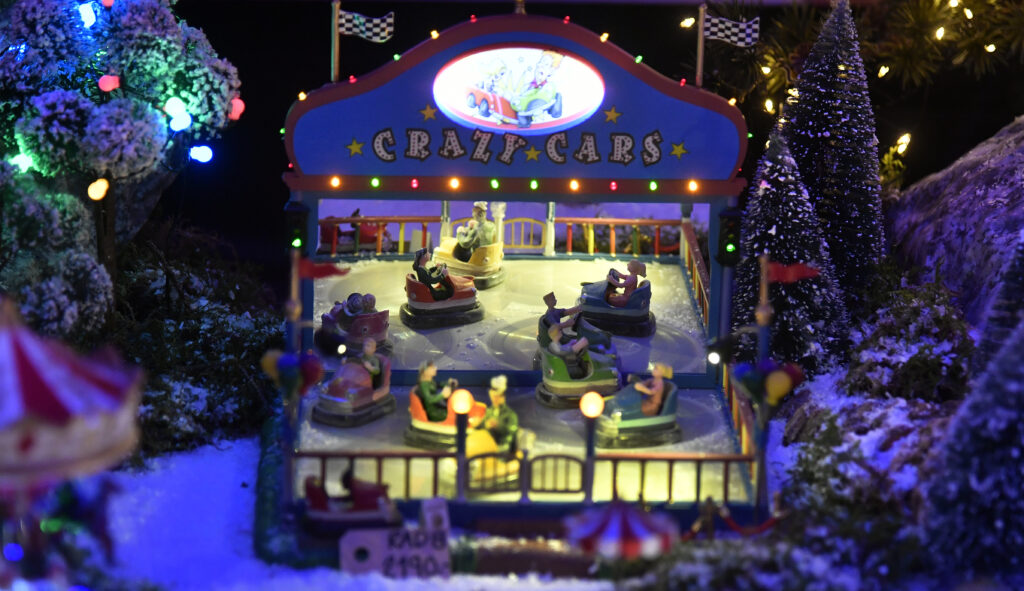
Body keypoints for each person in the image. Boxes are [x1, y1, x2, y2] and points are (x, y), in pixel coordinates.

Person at [472, 375, 518, 452]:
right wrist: (478, 424)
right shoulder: (490, 411)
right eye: (493, 397)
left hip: (503, 447)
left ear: (503, 397)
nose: (495, 399)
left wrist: (497, 425)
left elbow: (511, 432)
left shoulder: (510, 414)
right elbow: (483, 425)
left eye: (497, 397)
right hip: (488, 445)